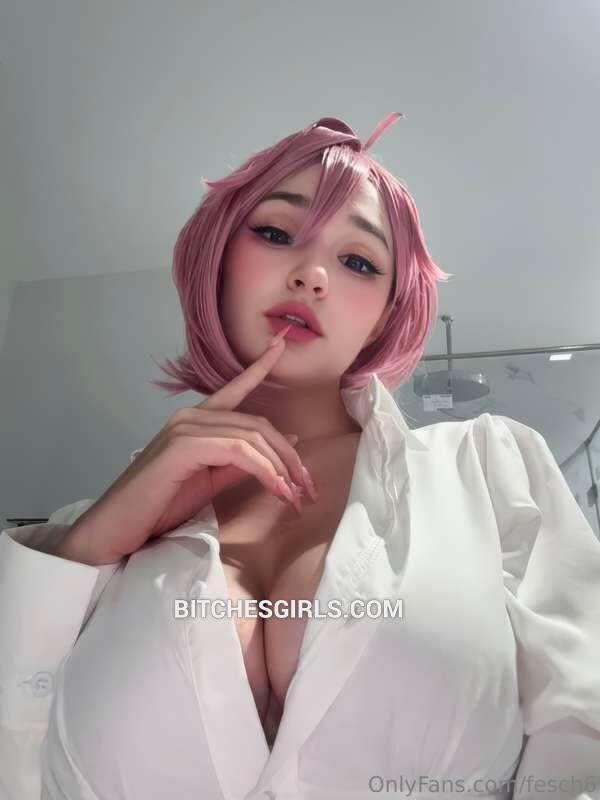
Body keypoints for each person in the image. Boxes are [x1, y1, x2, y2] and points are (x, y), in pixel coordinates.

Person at [1, 114, 599, 800]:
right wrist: (84, 549)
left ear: (385, 313)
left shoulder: (490, 469)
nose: (312, 275)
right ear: (218, 260)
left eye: (359, 262)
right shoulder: (81, 547)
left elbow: (583, 733)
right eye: (277, 234)